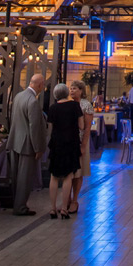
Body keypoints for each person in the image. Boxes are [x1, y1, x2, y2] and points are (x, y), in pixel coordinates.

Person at [7, 70, 47, 215]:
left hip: (15, 141)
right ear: (40, 85)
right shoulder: (33, 101)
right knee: (24, 178)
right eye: (43, 85)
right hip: (26, 145)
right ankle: (21, 207)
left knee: (16, 176)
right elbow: (34, 127)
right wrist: (38, 148)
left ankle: (15, 204)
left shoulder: (18, 96)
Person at [47, 83, 82, 218]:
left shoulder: (53, 108)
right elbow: (81, 125)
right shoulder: (74, 106)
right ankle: (64, 208)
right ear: (67, 92)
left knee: (54, 176)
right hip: (71, 143)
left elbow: (51, 127)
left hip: (56, 143)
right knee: (68, 176)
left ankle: (52, 207)